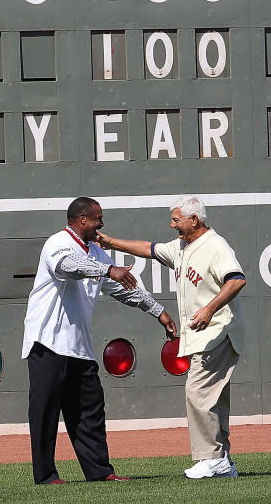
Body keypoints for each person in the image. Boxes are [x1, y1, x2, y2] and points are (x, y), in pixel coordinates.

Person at [22, 196, 177, 485]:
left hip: (79, 346)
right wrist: (107, 269)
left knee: (90, 412)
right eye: (97, 218)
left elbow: (124, 288)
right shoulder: (58, 242)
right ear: (82, 220)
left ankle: (100, 472)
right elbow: (67, 266)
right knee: (45, 412)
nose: (101, 224)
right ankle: (45, 476)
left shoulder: (95, 251)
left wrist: (159, 311)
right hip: (47, 342)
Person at [97, 195, 245, 479]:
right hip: (206, 335)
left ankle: (211, 458)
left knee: (197, 392)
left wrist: (209, 309)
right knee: (212, 398)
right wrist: (112, 243)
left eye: (176, 219)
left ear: (194, 220)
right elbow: (149, 249)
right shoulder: (183, 246)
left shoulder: (216, 246)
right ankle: (222, 460)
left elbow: (236, 279)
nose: (171, 224)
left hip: (218, 332)